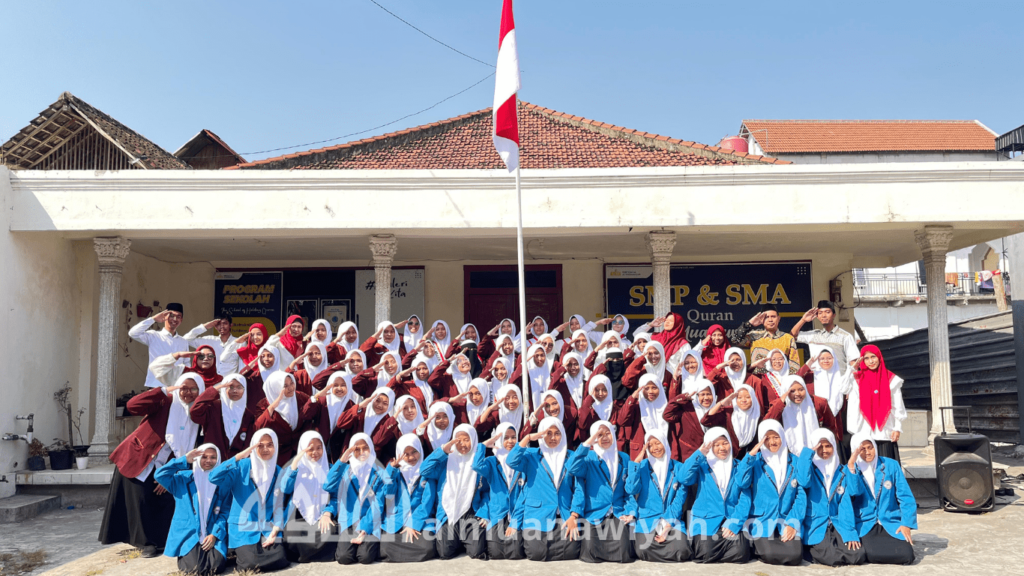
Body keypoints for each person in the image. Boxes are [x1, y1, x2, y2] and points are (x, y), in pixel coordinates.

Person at [99, 374, 203, 557]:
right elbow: (132, 406)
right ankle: (146, 543)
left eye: (194, 389)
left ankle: (161, 541)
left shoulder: (197, 414)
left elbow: (188, 449)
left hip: (167, 464)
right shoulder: (166, 401)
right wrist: (161, 391)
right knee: (140, 500)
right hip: (139, 456)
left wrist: (170, 474)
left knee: (165, 499)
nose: (188, 393)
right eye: (184, 387)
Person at [208, 429, 290, 573]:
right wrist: (237, 457)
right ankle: (239, 553)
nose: (265, 449)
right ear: (253, 446)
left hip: (266, 527)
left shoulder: (278, 472)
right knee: (250, 563)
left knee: (281, 557)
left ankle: (240, 554)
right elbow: (213, 477)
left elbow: (278, 506)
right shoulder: (242, 466)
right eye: (260, 445)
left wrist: (276, 528)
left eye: (270, 445)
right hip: (243, 526)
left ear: (275, 446)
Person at [507, 417, 584, 562]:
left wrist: (574, 516)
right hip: (537, 514)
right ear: (542, 434)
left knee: (573, 551)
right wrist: (528, 438)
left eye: (557, 433)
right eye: (548, 433)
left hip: (564, 513)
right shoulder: (531, 455)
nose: (553, 438)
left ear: (563, 434)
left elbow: (579, 488)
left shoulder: (571, 456)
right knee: (535, 553)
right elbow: (511, 460)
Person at [680, 427, 753, 564]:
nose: (722, 448)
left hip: (731, 518)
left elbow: (745, 497)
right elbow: (683, 477)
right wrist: (699, 453)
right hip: (706, 519)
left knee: (741, 554)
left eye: (725, 443)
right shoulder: (702, 465)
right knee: (704, 554)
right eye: (716, 444)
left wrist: (735, 521)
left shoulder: (738, 466)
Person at [155, 443, 229, 575]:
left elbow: (224, 512)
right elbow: (160, 475)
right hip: (189, 533)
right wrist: (183, 460)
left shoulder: (222, 482)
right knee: (194, 570)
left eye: (213, 457)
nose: (208, 460)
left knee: (215, 567)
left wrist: (214, 534)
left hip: (212, 532)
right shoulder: (182, 478)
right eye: (204, 456)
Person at [738, 421, 805, 566]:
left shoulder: (795, 461)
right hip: (763, 519)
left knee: (795, 555)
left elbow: (801, 495)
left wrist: (793, 522)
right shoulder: (755, 461)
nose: (772, 442)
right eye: (767, 438)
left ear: (783, 436)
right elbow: (741, 482)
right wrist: (751, 454)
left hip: (786, 518)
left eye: (776, 437)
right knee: (770, 554)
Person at [567, 421, 635, 564]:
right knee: (590, 553)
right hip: (594, 513)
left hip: (617, 512)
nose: (604, 437)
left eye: (607, 433)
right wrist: (590, 442)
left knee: (624, 553)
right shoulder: (588, 458)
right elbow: (572, 467)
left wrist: (631, 511)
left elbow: (628, 490)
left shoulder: (623, 458)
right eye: (599, 434)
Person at [796, 429, 866, 567]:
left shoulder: (841, 471)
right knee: (832, 558)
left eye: (828, 446)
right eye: (820, 446)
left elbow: (854, 493)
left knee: (857, 555)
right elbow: (803, 481)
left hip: (837, 522)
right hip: (816, 522)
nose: (824, 450)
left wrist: (851, 466)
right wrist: (808, 453)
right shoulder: (810, 468)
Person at [420, 423, 488, 559]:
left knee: (476, 552)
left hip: (471, 513)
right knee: (445, 552)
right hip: (448, 512)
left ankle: (464, 539)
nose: (462, 444)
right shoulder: (445, 462)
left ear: (473, 440)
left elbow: (487, 491)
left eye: (466, 439)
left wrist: (485, 512)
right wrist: (442, 451)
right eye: (458, 440)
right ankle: (459, 539)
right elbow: (424, 470)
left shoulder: (480, 463)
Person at [847, 433, 917, 565]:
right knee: (869, 554)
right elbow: (852, 493)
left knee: (906, 555)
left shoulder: (891, 465)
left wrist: (906, 523)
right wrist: (851, 465)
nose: (868, 452)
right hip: (865, 522)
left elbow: (906, 496)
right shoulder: (851, 469)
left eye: (870, 447)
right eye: (862, 449)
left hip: (890, 521)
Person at [625, 431, 690, 562]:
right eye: (650, 445)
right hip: (648, 518)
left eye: (658, 443)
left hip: (672, 517)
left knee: (682, 550)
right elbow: (631, 489)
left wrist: (667, 524)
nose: (655, 448)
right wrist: (636, 464)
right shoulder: (642, 466)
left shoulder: (678, 467)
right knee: (642, 550)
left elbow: (679, 499)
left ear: (665, 443)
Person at [323, 434, 386, 565]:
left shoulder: (379, 473)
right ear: (351, 450)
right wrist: (341, 461)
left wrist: (366, 527)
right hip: (349, 521)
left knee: (365, 557)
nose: (362, 452)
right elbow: (328, 486)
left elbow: (378, 504)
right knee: (344, 557)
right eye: (357, 449)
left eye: (366, 448)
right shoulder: (344, 470)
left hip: (369, 521)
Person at [378, 434, 438, 562]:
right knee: (385, 546)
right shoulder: (396, 472)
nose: (411, 457)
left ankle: (398, 553)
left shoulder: (427, 474)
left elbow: (426, 504)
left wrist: (413, 524)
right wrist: (392, 471)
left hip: (421, 520)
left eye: (414, 452)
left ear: (420, 450)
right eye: (406, 454)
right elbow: (388, 495)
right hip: (398, 518)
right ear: (399, 453)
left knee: (428, 547)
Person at [474, 423, 526, 560]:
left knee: (516, 553)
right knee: (495, 553)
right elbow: (476, 465)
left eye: (513, 437)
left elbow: (524, 493)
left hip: (516, 513)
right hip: (497, 513)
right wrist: (483, 446)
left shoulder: (522, 461)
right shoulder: (492, 461)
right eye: (506, 437)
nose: (510, 441)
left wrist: (516, 521)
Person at [279, 431, 334, 563]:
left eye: (319, 448)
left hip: (321, 516)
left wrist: (328, 513)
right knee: (292, 533)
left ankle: (316, 556)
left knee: (331, 530)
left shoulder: (330, 469)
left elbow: (336, 497)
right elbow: (285, 488)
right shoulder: (296, 468)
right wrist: (295, 464)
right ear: (303, 448)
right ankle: (305, 555)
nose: (315, 452)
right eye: (310, 449)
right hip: (298, 517)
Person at [848, 345, 907, 462]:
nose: (871, 361)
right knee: (865, 462)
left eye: (873, 357)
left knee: (885, 463)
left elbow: (897, 405)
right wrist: (853, 368)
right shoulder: (856, 379)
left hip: (885, 429)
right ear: (862, 360)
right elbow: (843, 388)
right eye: (866, 358)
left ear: (879, 357)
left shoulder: (891, 379)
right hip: (863, 427)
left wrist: (897, 427)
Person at [803, 345, 855, 459]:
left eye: (829, 358)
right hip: (817, 419)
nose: (826, 361)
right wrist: (808, 365)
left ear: (834, 359)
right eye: (822, 358)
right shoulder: (811, 376)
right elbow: (797, 377)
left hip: (837, 421)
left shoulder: (840, 378)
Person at [766, 376, 840, 454]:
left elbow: (830, 426)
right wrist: (781, 402)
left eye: (801, 389)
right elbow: (767, 423)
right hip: (788, 453)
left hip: (817, 451)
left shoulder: (818, 403)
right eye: (792, 391)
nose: (797, 394)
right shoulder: (779, 406)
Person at [189, 373, 257, 458]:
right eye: (231, 387)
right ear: (224, 389)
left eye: (239, 387)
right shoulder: (214, 407)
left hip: (235, 464)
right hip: (212, 461)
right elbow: (195, 412)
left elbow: (247, 444)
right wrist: (215, 389)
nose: (235, 391)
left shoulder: (248, 415)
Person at [255, 372, 316, 465]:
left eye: (292, 383)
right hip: (278, 456)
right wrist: (273, 406)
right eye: (285, 386)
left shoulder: (300, 397)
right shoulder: (263, 405)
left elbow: (313, 412)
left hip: (301, 452)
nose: (291, 388)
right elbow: (258, 427)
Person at [129, 305, 191, 388]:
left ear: (181, 320)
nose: (175, 319)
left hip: (177, 386)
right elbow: (133, 333)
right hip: (156, 385)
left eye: (178, 316)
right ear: (165, 316)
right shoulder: (154, 336)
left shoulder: (183, 341)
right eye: (171, 315)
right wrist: (153, 319)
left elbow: (187, 363)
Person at [790, 301, 861, 371]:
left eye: (827, 312)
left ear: (834, 315)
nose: (823, 315)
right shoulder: (813, 335)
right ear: (817, 316)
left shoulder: (845, 336)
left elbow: (853, 362)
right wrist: (803, 320)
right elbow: (792, 336)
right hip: (818, 380)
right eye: (820, 313)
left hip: (839, 380)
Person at [337, 387, 400, 462]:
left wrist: (392, 420)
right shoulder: (359, 414)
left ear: (389, 406)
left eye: (385, 403)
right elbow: (340, 423)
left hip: (370, 464)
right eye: (377, 401)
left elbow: (378, 442)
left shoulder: (389, 423)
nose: (380, 405)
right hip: (349, 459)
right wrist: (359, 406)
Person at [733, 305, 800, 375]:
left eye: (773, 317)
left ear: (778, 318)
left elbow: (794, 366)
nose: (770, 320)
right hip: (758, 381)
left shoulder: (788, 338)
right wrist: (750, 323)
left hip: (780, 382)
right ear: (762, 320)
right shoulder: (754, 337)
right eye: (766, 317)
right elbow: (735, 340)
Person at [663, 378, 718, 461]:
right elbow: (667, 415)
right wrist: (683, 397)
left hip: (711, 457)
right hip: (689, 456)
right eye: (702, 394)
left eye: (709, 394)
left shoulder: (718, 411)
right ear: (697, 396)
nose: (706, 398)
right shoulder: (688, 409)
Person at [701, 384, 762, 458]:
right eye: (739, 397)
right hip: (728, 458)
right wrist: (721, 403)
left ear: (753, 398)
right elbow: (705, 421)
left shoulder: (757, 417)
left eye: (748, 397)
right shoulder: (728, 413)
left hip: (749, 459)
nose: (743, 400)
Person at [310, 371, 358, 461]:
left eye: (343, 385)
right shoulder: (321, 401)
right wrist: (316, 396)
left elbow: (352, 432)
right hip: (318, 448)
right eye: (335, 385)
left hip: (338, 452)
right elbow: (305, 414)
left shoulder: (352, 406)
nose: (339, 388)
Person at [618, 374, 669, 460]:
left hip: (662, 453)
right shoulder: (636, 406)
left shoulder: (666, 407)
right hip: (641, 454)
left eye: (654, 387)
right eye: (646, 388)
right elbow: (622, 420)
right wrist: (632, 399)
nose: (651, 391)